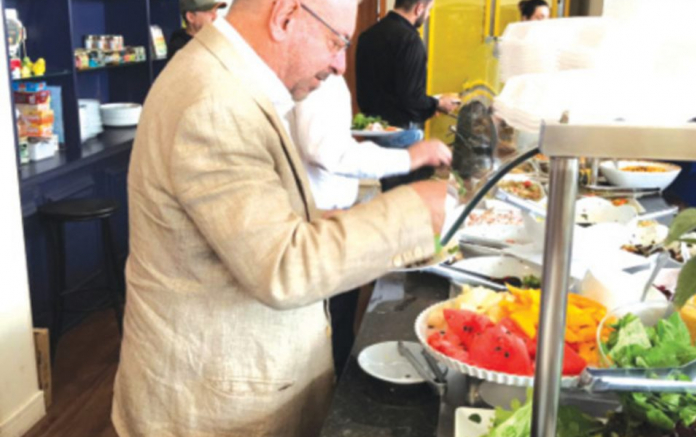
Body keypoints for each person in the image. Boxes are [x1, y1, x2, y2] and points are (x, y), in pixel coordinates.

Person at [111, 0, 449, 436]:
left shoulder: (225, 77)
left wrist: (323, 218)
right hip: (215, 407)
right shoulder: (215, 102)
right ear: (284, 16)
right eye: (336, 42)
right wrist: (417, 209)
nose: (340, 65)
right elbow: (282, 268)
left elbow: (243, 223)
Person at [291, 73, 452, 375]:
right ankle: (337, 379)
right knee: (334, 322)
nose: (340, 63)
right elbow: (325, 150)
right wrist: (409, 157)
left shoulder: (323, 77)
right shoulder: (317, 78)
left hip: (328, 214)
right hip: (320, 224)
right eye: (338, 48)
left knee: (341, 315)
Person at [355, 0, 459, 191]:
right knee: (405, 197)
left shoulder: (367, 36)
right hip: (400, 135)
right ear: (419, 8)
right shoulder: (410, 40)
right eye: (428, 10)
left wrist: (430, 104)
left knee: (388, 193)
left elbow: (378, 89)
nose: (428, 16)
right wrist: (437, 104)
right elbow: (412, 98)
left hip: (374, 131)